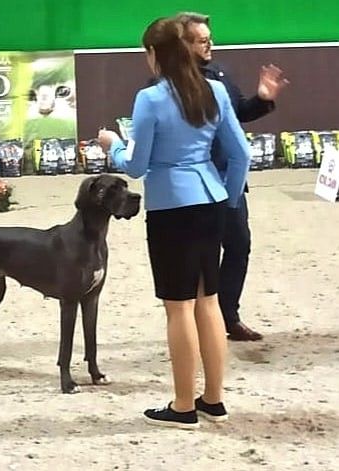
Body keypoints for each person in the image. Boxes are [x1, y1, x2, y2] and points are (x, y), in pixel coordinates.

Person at [97, 18, 250, 429]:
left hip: (171, 207)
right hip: (211, 199)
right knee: (209, 301)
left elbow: (136, 165)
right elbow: (242, 155)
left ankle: (183, 405)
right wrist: (230, 198)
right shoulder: (216, 90)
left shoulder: (150, 98)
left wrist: (113, 146)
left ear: (154, 53)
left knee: (178, 307)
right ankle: (213, 398)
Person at [176, 12, 289, 341]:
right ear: (183, 44)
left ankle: (228, 316)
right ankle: (196, 319)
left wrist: (263, 99)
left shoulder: (220, 74)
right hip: (194, 182)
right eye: (202, 40)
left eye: (209, 38)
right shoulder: (170, 84)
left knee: (239, 245)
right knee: (198, 253)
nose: (209, 44)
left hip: (230, 178)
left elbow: (239, 111)